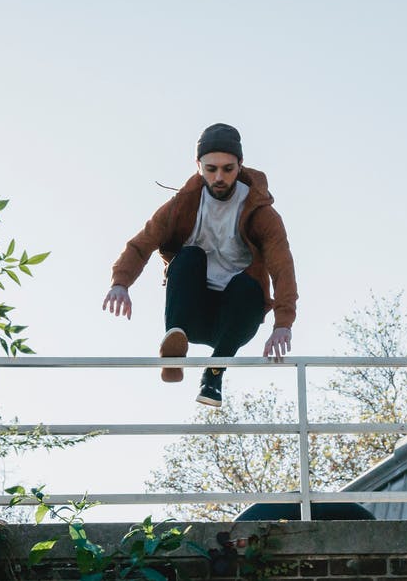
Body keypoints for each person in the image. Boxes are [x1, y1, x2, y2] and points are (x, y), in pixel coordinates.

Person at [102, 123, 297, 407]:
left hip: (235, 318)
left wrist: (283, 324)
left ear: (240, 165)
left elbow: (282, 267)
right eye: (211, 169)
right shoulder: (182, 205)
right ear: (198, 166)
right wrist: (121, 282)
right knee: (190, 256)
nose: (219, 177)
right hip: (193, 310)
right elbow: (141, 243)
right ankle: (175, 343)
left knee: (248, 286)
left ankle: (214, 374)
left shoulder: (262, 214)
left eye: (228, 169)